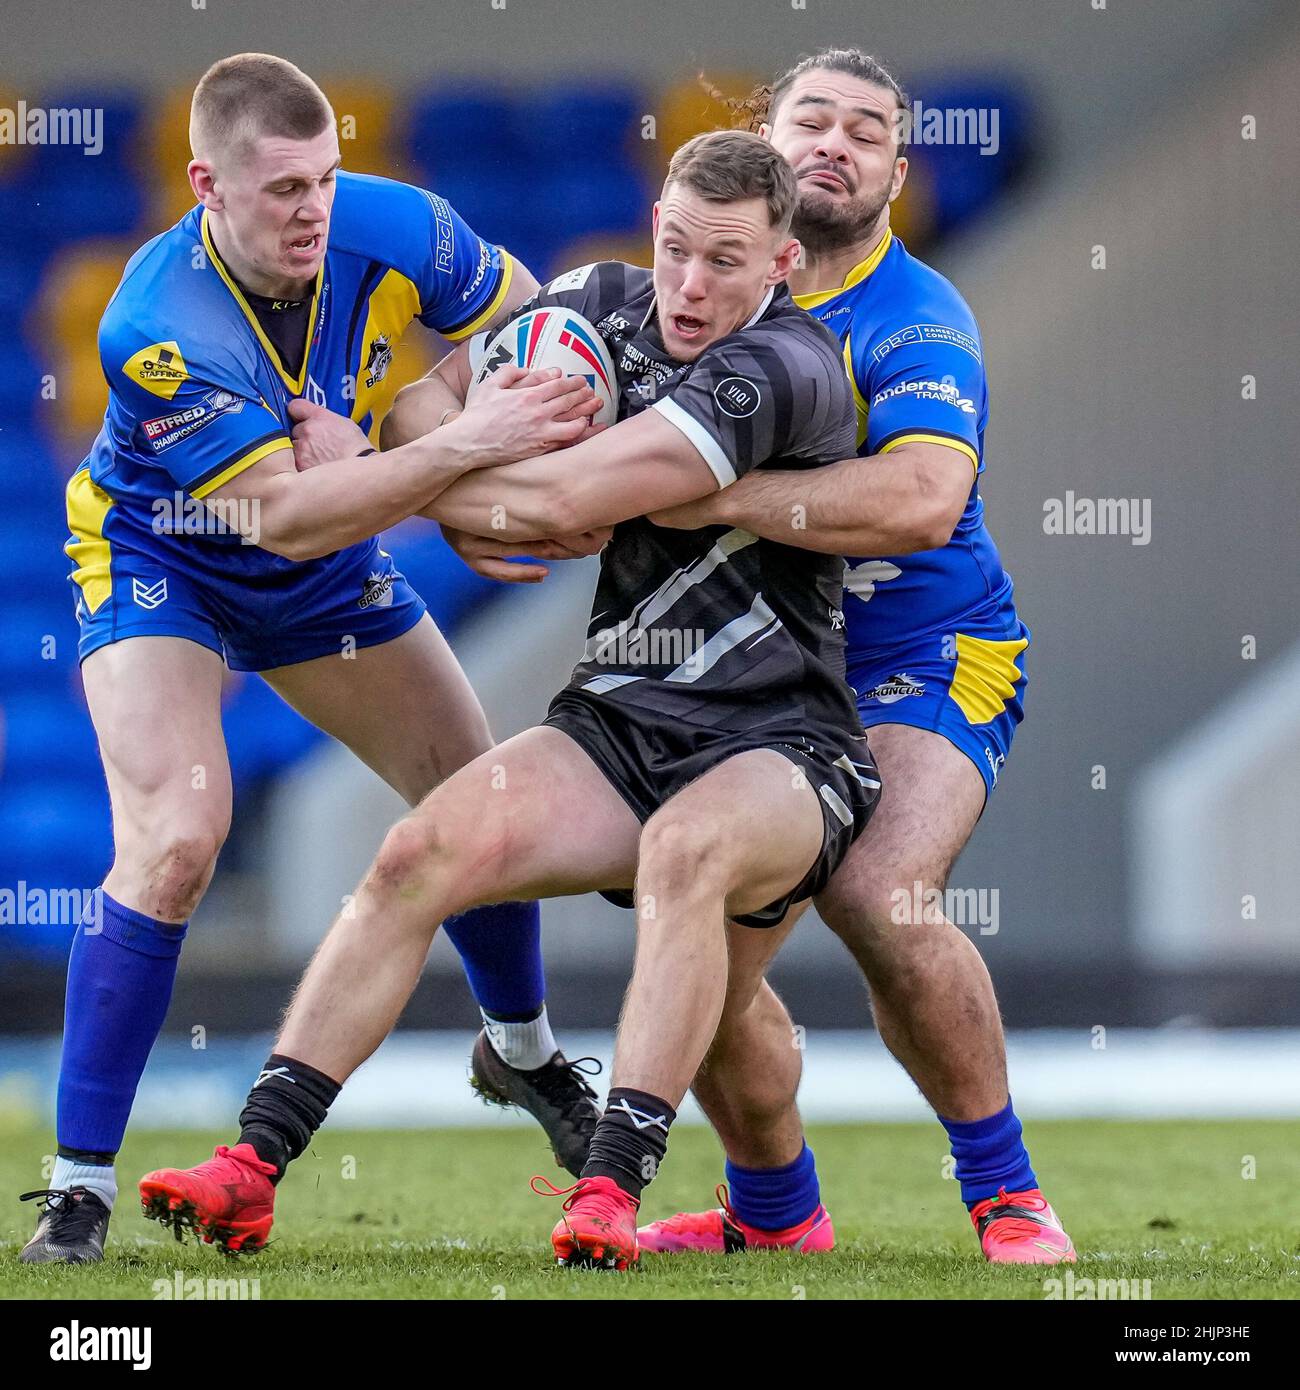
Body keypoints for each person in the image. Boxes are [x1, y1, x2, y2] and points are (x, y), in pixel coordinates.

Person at [135, 129, 880, 1271]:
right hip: (620, 719)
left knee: (690, 861)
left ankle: (608, 1190)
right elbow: (418, 416)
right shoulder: (593, 299)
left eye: (724, 261)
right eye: (674, 246)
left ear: (781, 262)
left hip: (784, 742)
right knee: (415, 853)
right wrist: (439, 467)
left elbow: (576, 493)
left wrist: (404, 490)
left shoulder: (784, 367)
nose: (688, 284)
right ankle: (251, 1165)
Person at [19, 52, 605, 1267]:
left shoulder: (396, 225)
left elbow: (539, 320)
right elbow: (286, 518)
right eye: (282, 188)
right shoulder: (156, 324)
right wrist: (459, 468)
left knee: (475, 800)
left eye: (325, 179)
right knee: (178, 837)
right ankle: (76, 1190)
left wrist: (420, 424)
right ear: (205, 187)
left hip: (319, 533)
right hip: (161, 557)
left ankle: (527, 1055)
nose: (313, 210)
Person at [628, 49, 1074, 1264]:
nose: (834, 141)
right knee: (695, 956)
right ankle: (775, 1214)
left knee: (878, 892)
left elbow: (928, 498)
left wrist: (717, 498)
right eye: (809, 119)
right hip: (766, 673)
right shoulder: (699, 294)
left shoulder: (918, 313)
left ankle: (1008, 1195)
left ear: (894, 174)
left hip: (930, 651)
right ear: (760, 147)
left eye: (864, 131)